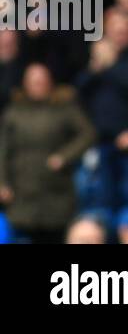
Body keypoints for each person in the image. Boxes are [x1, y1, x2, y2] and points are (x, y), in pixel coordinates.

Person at [0, 63, 97, 244]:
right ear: (25, 84)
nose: (38, 85)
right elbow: (3, 149)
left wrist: (64, 156)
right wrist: (2, 182)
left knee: (55, 234)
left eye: (41, 81)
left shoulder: (64, 108)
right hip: (22, 188)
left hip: (56, 188)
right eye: (33, 82)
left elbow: (88, 133)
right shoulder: (13, 112)